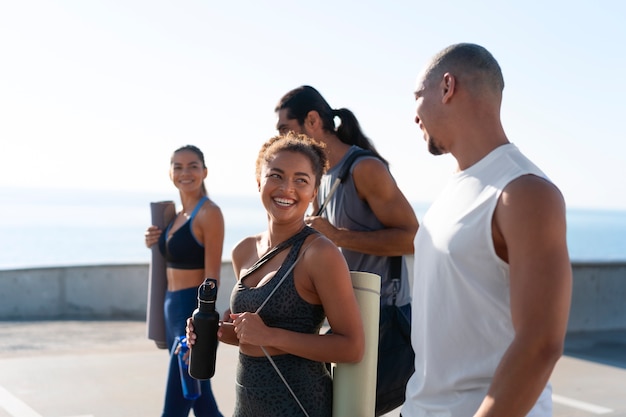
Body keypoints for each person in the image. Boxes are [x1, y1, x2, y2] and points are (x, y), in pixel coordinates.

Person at [402, 43, 572, 417]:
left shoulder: (524, 191)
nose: (413, 114)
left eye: (417, 96)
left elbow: (541, 343)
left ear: (447, 87)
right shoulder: (451, 192)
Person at [188, 132, 364, 417]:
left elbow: (352, 347)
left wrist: (269, 334)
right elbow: (253, 339)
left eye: (301, 180)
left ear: (314, 191)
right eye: (276, 176)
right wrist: (216, 332)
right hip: (247, 403)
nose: (287, 188)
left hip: (300, 404)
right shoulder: (243, 251)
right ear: (259, 180)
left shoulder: (319, 253)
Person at [275, 86, 419, 414]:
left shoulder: (364, 169)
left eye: (285, 129)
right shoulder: (322, 175)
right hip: (351, 314)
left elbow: (412, 237)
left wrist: (339, 236)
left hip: (384, 316)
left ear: (312, 120)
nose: (283, 140)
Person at [144, 145, 225, 417]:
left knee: (175, 407)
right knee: (202, 402)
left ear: (205, 171)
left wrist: (203, 327)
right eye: (178, 166)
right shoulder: (176, 216)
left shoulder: (209, 213)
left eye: (192, 166)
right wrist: (153, 240)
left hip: (189, 313)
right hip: (170, 308)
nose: (185, 172)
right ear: (170, 173)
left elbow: (212, 278)